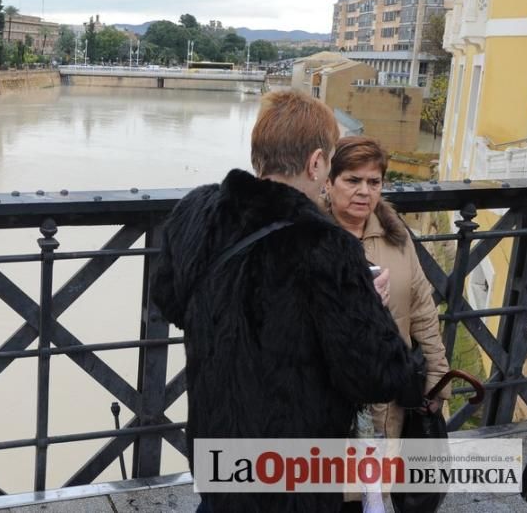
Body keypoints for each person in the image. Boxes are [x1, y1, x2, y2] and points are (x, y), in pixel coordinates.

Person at [150, 91, 412, 513]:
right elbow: (377, 376)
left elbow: (168, 300)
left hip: (215, 447)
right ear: (315, 163)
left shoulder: (197, 211)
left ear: (259, 155)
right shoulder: (328, 247)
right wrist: (371, 306)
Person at [326, 136, 450, 442]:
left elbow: (421, 307)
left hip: (391, 398)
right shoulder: (313, 240)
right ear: (328, 182)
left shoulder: (396, 237)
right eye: (352, 180)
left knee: (384, 478)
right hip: (331, 396)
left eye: (374, 181)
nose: (364, 191)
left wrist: (437, 376)